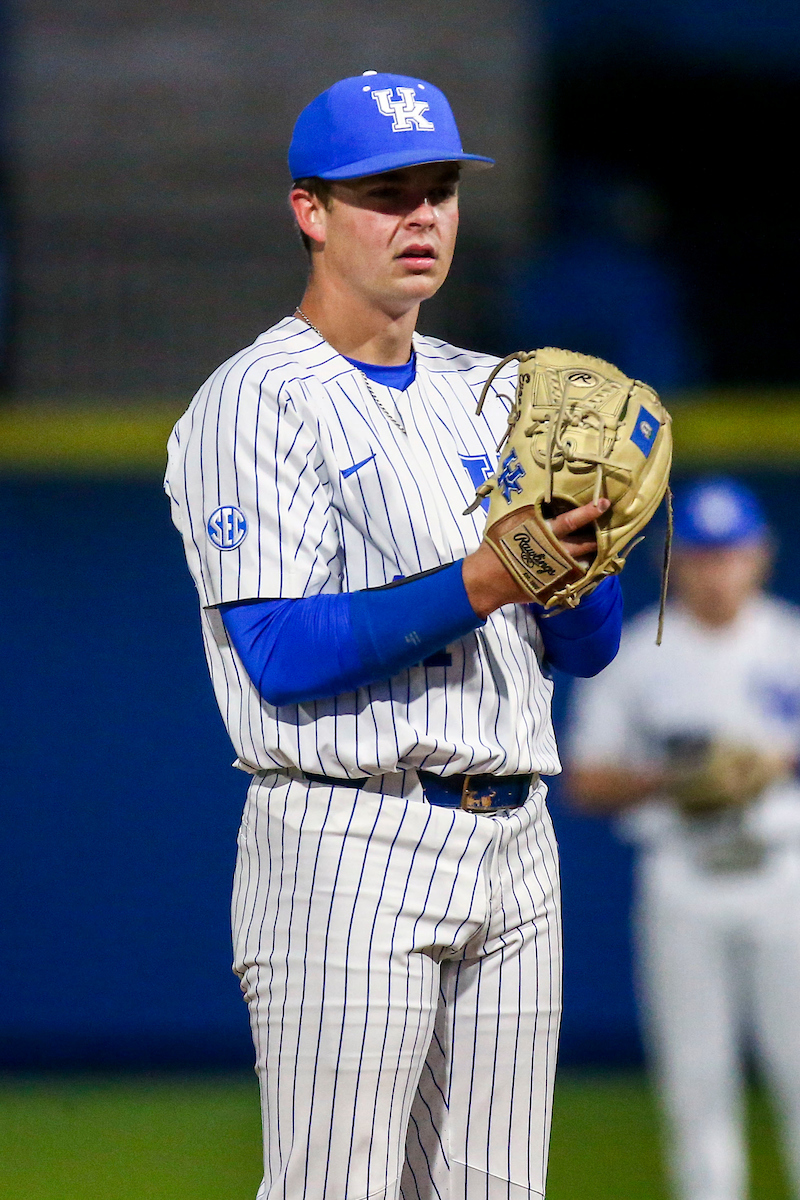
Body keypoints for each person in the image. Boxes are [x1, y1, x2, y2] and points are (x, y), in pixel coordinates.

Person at [165, 70, 624, 1200]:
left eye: (439, 192)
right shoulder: (256, 397)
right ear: (310, 211)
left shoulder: (498, 392)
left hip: (518, 842)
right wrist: (486, 576)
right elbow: (281, 654)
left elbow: (586, 651)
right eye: (385, 194)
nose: (421, 217)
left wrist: (580, 568)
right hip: (348, 840)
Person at [567, 477, 800, 1200]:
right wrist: (674, 780)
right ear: (672, 561)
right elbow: (585, 780)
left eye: (730, 552)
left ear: (760, 554)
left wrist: (775, 763)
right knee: (696, 1081)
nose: (716, 569)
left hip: (783, 875)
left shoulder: (790, 642)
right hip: (682, 875)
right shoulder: (639, 652)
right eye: (700, 554)